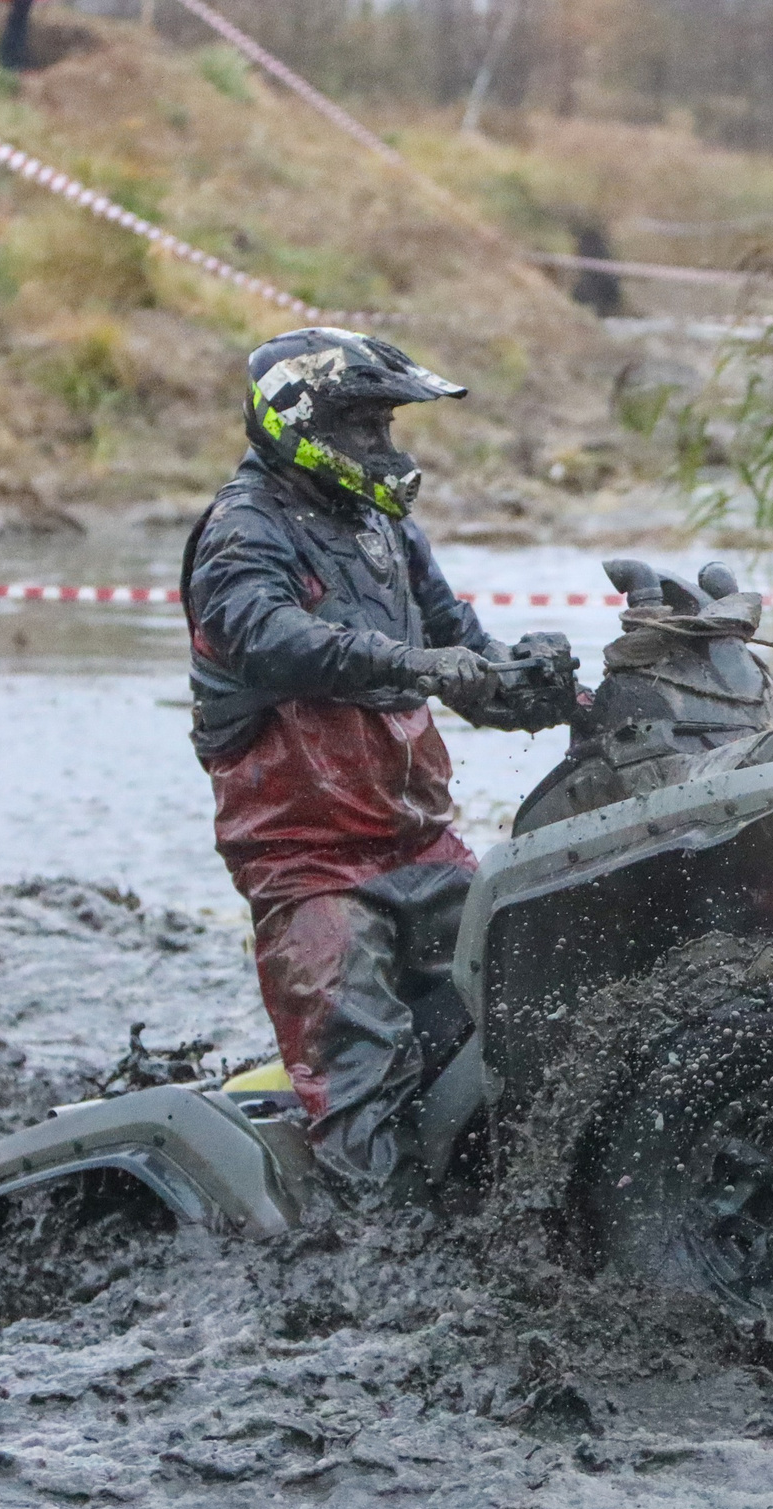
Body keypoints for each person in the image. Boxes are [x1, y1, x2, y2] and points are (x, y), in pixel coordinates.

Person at [180, 327, 574, 1197]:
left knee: (517, 1016)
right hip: (311, 863)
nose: (384, 449)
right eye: (365, 429)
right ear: (302, 426)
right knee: (361, 1082)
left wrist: (555, 690)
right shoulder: (243, 529)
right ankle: (368, 1263)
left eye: (389, 428)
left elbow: (465, 654)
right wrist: (410, 664)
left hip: (422, 848)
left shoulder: (384, 531)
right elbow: (262, 635)